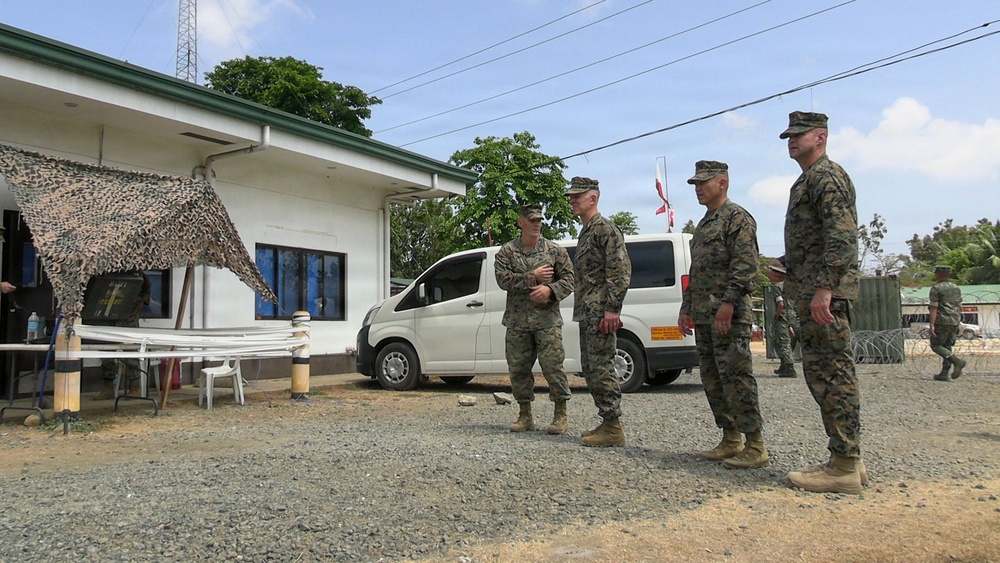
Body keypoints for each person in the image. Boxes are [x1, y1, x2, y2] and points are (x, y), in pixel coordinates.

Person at [774, 111, 866, 494]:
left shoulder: (826, 176)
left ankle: (843, 466)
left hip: (824, 297)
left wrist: (824, 288)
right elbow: (815, 240)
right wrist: (787, 265)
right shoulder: (808, 179)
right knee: (824, 375)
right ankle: (846, 460)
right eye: (789, 136)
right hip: (811, 288)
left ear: (821, 137)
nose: (792, 141)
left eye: (800, 135)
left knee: (832, 378)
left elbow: (842, 237)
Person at [677, 160, 766, 469]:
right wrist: (686, 308)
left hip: (728, 315)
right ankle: (730, 438)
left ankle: (755, 443)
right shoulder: (704, 224)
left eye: (703, 182)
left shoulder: (737, 218)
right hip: (703, 315)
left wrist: (728, 303)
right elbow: (697, 271)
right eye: (695, 184)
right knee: (713, 379)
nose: (698, 188)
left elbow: (745, 266)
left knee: (737, 377)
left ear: (723, 183)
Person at [494, 204, 576, 434]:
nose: (537, 224)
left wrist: (550, 290)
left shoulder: (554, 250)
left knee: (552, 367)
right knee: (518, 368)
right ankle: (525, 415)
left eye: (539, 220)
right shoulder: (507, 252)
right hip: (518, 322)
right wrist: (533, 277)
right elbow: (503, 280)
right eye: (532, 220)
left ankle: (560, 414)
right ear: (521, 222)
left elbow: (570, 280)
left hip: (547, 321)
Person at [565, 176, 631, 447]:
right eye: (571, 196)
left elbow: (620, 271)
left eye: (577, 196)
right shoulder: (587, 231)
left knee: (602, 366)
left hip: (600, 312)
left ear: (593, 198)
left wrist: (612, 309)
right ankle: (607, 421)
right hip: (588, 311)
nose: (572, 201)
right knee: (591, 367)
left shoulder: (605, 230)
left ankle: (614, 426)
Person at [94, 270, 151, 400]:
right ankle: (108, 386)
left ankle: (134, 386)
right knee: (105, 349)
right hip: (108, 311)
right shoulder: (107, 267)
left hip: (128, 314)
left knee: (130, 349)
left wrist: (140, 302)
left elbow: (146, 286)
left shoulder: (134, 269)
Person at [928, 264, 967, 381]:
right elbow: (959, 306)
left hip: (942, 321)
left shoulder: (936, 289)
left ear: (938, 275)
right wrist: (959, 321)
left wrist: (931, 325)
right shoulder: (956, 288)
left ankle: (956, 361)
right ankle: (944, 373)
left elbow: (934, 307)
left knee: (936, 345)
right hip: (954, 320)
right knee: (947, 346)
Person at [764, 273, 798, 378]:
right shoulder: (790, 285)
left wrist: (776, 316)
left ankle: (789, 368)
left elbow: (781, 304)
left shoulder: (777, 286)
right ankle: (784, 365)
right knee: (788, 341)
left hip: (783, 317)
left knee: (782, 341)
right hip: (792, 316)